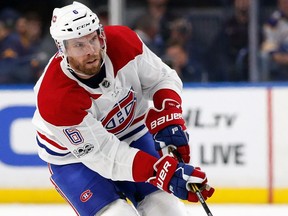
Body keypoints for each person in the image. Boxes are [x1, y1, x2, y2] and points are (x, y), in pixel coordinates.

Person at [32, 2, 214, 216]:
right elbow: (106, 156)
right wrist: (160, 172)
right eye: (79, 45)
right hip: (73, 158)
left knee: (167, 209)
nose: (91, 50)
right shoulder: (55, 97)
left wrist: (169, 114)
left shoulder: (123, 42)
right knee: (117, 213)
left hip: (132, 132)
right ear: (62, 49)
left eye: (93, 38)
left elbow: (162, 78)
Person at [260, 0, 288, 81]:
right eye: (284, 2)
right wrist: (281, 57)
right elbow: (269, 45)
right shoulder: (273, 22)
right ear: (279, 4)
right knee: (264, 56)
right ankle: (264, 85)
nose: (287, 5)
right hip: (281, 55)